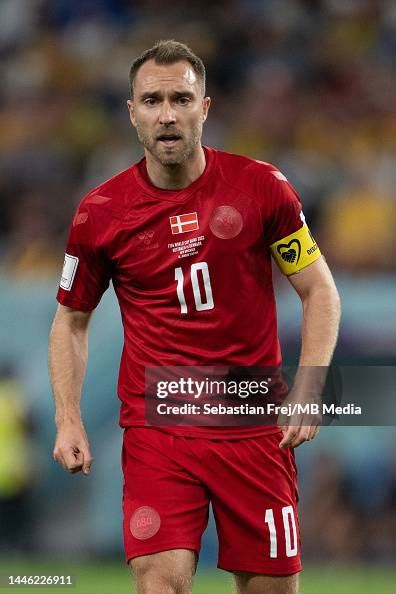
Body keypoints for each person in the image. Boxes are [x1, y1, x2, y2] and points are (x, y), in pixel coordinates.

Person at [48, 40, 341, 594]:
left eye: (181, 98)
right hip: (160, 426)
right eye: (152, 100)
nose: (167, 114)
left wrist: (311, 381)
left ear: (205, 108)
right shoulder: (100, 214)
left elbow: (319, 291)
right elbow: (71, 321)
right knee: (161, 583)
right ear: (131, 111)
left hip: (253, 424)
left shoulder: (262, 188)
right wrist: (68, 417)